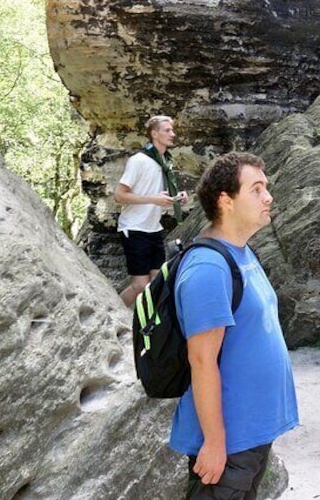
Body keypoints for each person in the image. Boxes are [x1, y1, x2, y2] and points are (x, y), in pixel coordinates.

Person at [169, 152, 299, 500]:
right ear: (225, 200)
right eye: (256, 189)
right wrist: (213, 442)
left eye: (266, 187)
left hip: (252, 433)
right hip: (229, 441)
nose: (268, 197)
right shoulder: (208, 268)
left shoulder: (242, 252)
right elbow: (201, 360)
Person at [114, 115, 188, 306]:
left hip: (154, 229)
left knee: (156, 285)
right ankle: (113, 312)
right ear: (154, 134)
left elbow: (157, 196)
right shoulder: (139, 160)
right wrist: (152, 199)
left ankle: (147, 328)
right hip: (134, 228)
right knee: (140, 285)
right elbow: (119, 196)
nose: (173, 134)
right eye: (167, 130)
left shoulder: (164, 162)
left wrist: (176, 199)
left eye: (172, 130)